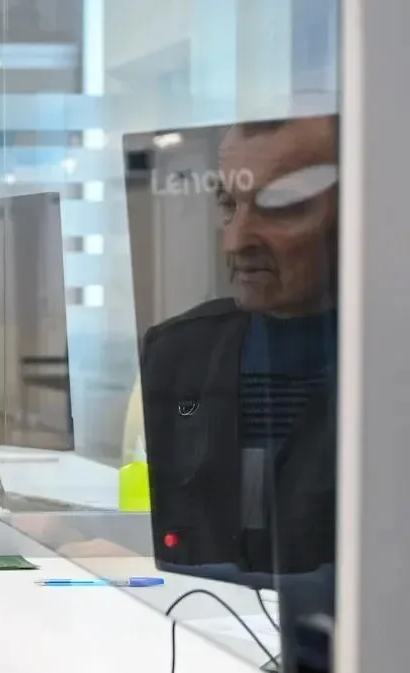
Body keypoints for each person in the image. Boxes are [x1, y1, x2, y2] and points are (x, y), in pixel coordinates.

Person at [140, 114, 338, 577]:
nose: (235, 241)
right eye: (228, 204)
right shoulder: (176, 353)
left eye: (280, 205)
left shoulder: (388, 366)